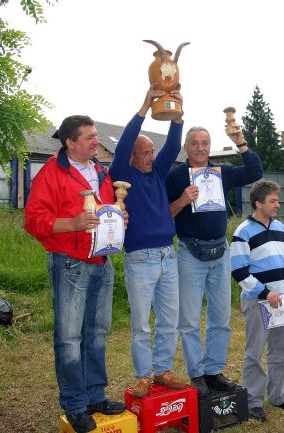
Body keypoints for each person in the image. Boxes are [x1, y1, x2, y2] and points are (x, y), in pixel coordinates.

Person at [24, 115, 128, 433]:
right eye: (89, 137)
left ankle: (95, 396)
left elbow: (103, 214)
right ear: (70, 142)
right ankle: (75, 405)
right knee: (70, 339)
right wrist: (73, 224)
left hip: (102, 263)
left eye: (96, 136)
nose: (96, 141)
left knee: (96, 335)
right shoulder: (51, 174)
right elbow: (33, 220)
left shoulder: (101, 173)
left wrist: (118, 216)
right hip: (69, 263)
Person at [166, 125, 263, 396]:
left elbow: (255, 173)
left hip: (221, 253)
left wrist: (241, 143)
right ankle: (196, 373)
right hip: (189, 254)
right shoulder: (174, 176)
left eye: (205, 142)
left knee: (221, 318)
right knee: (189, 320)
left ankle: (213, 371)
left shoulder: (222, 172)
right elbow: (164, 214)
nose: (200, 147)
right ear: (186, 146)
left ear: (210, 146)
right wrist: (183, 200)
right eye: (194, 142)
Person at [107, 88, 186, 397]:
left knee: (170, 320)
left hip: (169, 255)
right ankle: (143, 375)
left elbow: (173, 145)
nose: (152, 156)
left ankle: (163, 370)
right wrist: (144, 107)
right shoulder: (121, 171)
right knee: (141, 324)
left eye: (153, 151)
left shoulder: (158, 171)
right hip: (140, 258)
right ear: (132, 157)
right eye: (146, 152)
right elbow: (127, 139)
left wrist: (177, 114)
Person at [230, 179, 284, 422]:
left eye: (277, 200)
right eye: (273, 201)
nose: (277, 205)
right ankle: (253, 402)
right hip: (258, 302)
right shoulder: (242, 232)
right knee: (254, 353)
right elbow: (239, 271)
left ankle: (278, 396)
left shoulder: (281, 228)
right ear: (258, 203)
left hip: (283, 301)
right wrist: (264, 292)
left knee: (279, 351)